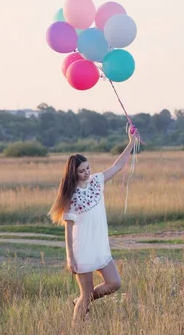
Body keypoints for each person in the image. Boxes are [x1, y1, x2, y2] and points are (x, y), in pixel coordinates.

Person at [48, 126, 140, 323]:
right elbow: (68, 229)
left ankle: (80, 302)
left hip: (100, 246)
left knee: (114, 283)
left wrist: (131, 143)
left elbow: (116, 166)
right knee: (86, 294)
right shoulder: (71, 196)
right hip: (82, 250)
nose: (87, 172)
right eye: (82, 171)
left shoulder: (97, 181)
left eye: (88, 168)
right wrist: (70, 257)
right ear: (74, 173)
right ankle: (76, 328)